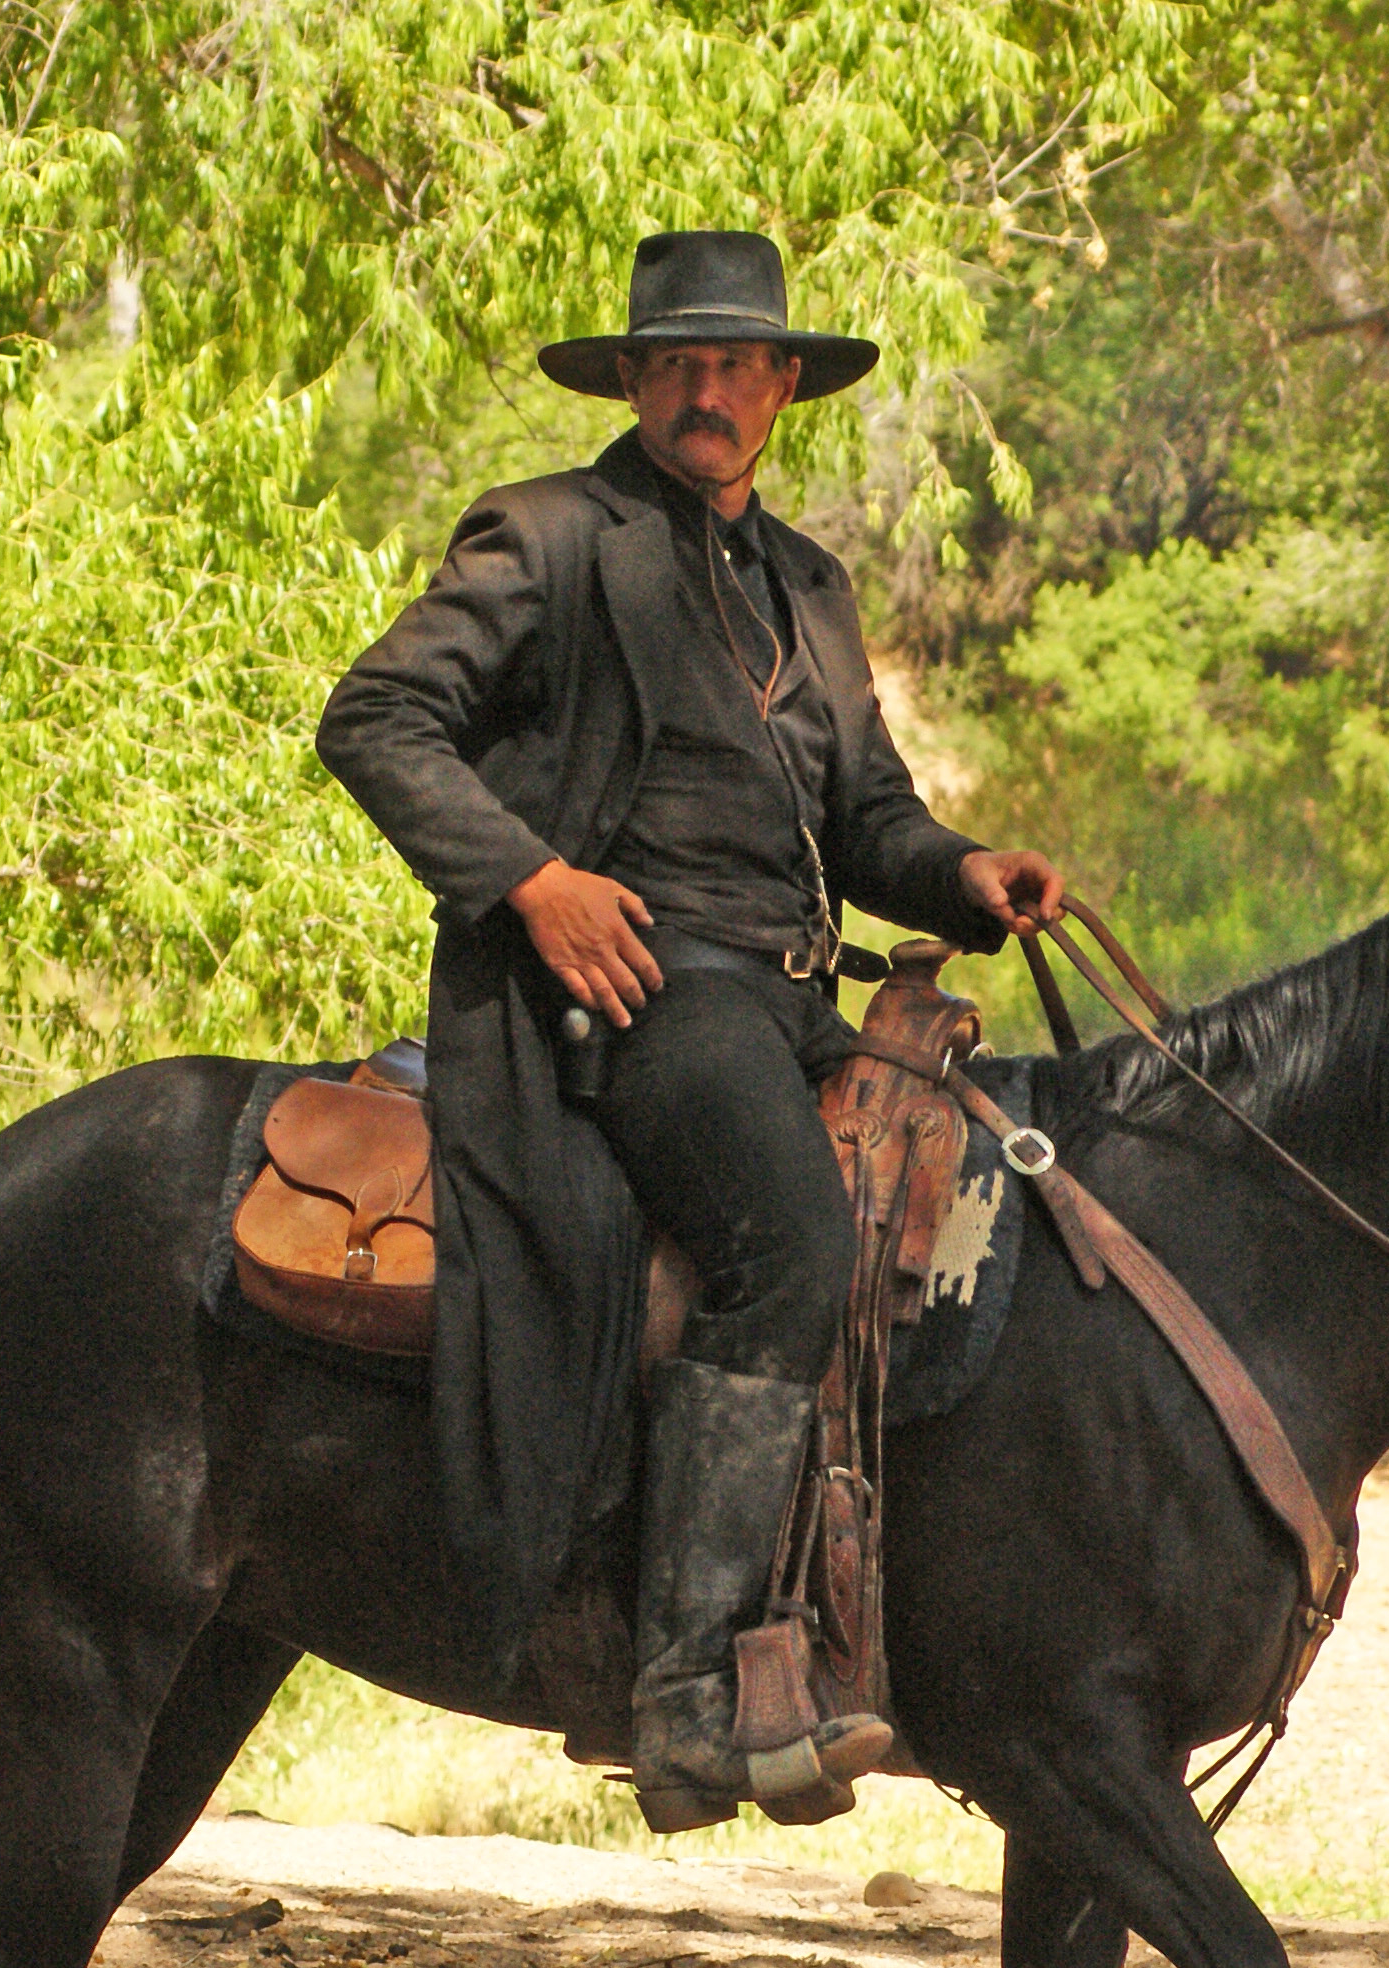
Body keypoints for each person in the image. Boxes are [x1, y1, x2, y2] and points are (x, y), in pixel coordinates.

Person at [317, 230, 1064, 1831]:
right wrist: (533, 882)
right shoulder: (550, 536)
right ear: (636, 382)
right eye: (674, 364)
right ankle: (683, 1684)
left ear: (784, 388)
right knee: (793, 1238)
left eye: (734, 365)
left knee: (986, 1205)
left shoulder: (810, 585)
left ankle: (886, 1642)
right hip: (639, 996)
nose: (703, 390)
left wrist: (966, 871)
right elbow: (373, 717)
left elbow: (870, 819)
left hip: (799, 999)